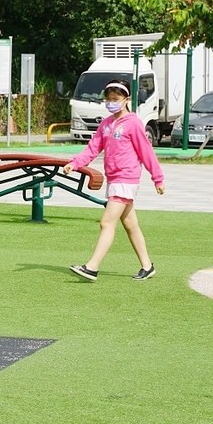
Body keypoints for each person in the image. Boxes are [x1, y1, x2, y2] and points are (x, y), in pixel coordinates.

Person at [63, 79, 165, 281]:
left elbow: (146, 152)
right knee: (130, 225)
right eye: (108, 99)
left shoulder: (134, 123)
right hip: (114, 178)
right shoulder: (106, 124)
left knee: (107, 222)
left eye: (115, 99)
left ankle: (92, 267)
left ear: (126, 100)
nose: (111, 103)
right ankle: (147, 266)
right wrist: (74, 164)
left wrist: (158, 179)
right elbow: (93, 148)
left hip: (126, 179)